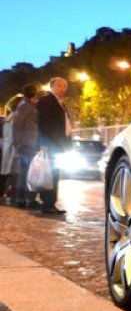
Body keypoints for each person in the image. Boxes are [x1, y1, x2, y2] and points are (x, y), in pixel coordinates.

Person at [35, 77, 72, 214]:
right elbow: (44, 124)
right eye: (59, 85)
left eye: (64, 86)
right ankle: (47, 203)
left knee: (55, 174)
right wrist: (46, 143)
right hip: (50, 143)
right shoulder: (46, 101)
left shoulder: (60, 103)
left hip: (58, 143)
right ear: (52, 87)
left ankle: (51, 203)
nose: (62, 88)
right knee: (50, 174)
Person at [7, 86, 40, 208]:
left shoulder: (27, 105)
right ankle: (27, 199)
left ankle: (22, 199)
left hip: (28, 143)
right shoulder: (25, 105)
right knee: (29, 172)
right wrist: (17, 142)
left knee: (25, 172)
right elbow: (17, 124)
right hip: (26, 144)